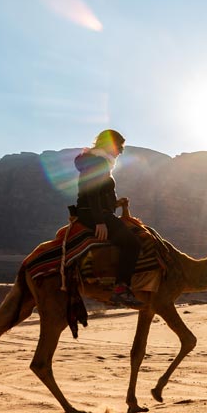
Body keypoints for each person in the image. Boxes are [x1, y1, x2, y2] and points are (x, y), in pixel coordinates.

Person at [73, 129, 143, 308]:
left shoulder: (97, 161)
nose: (121, 151)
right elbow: (92, 193)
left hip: (94, 211)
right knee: (132, 244)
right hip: (93, 213)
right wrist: (100, 221)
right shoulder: (98, 162)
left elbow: (99, 195)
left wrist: (117, 203)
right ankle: (121, 289)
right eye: (120, 146)